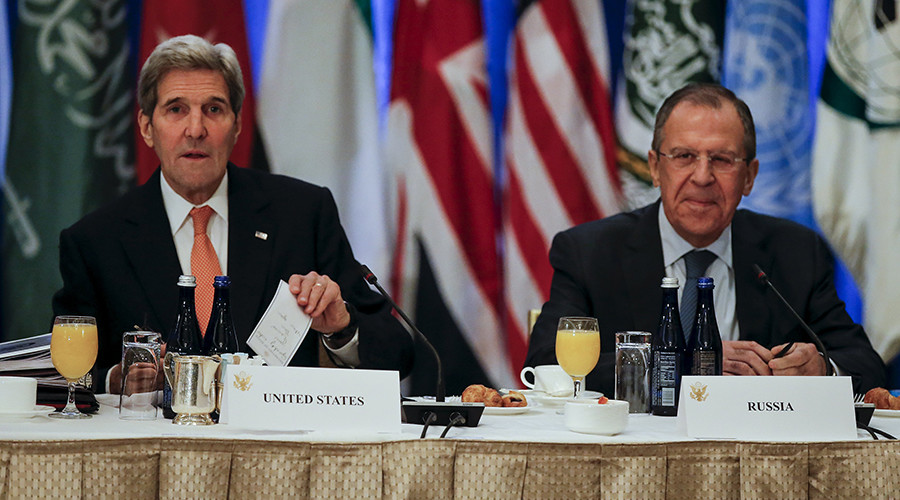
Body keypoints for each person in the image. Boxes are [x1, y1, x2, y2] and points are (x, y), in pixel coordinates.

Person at [52, 35, 414, 393]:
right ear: (147, 127)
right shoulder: (95, 242)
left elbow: (397, 356)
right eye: (176, 109)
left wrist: (340, 326)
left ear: (237, 125)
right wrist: (116, 379)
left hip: (279, 447)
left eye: (213, 109)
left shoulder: (302, 214)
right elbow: (63, 375)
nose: (196, 130)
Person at [524, 83, 887, 396]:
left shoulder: (795, 252)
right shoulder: (590, 252)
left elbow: (866, 366)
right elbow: (545, 364)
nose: (702, 176)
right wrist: (684, 365)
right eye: (684, 156)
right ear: (654, 167)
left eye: (722, 159)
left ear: (749, 177)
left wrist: (821, 369)